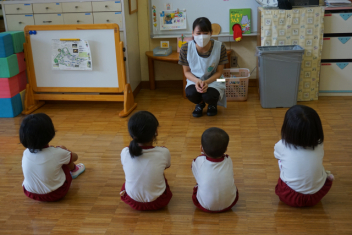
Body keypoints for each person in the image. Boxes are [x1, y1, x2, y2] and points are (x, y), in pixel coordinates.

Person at [274, 105, 334, 207]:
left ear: (287, 128)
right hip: (316, 196)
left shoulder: (282, 145)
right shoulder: (319, 144)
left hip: (289, 196)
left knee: (281, 162)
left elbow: (277, 156)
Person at [20, 113, 85, 202]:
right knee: (63, 155)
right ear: (49, 132)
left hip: (30, 193)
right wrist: (65, 151)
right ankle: (74, 170)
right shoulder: (56, 153)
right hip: (56, 193)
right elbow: (75, 157)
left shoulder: (26, 152)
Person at [120, 111, 172, 210]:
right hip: (158, 202)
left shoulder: (125, 152)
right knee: (161, 175)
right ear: (156, 132)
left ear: (131, 134)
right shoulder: (163, 152)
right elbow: (166, 166)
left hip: (133, 202)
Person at [179, 17, 229, 117]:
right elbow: (186, 72)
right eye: (198, 33)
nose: (202, 36)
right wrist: (197, 81)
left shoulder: (220, 47)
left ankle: (212, 104)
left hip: (217, 79)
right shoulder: (185, 48)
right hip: (194, 80)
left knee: (210, 95)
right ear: (193, 33)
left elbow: (219, 72)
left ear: (211, 33)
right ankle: (200, 103)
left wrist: (206, 82)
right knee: (190, 93)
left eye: (205, 33)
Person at [192, 127, 238, 212]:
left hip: (204, 206)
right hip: (229, 204)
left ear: (201, 148)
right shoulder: (228, 159)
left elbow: (197, 176)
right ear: (226, 149)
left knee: (198, 184)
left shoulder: (199, 161)